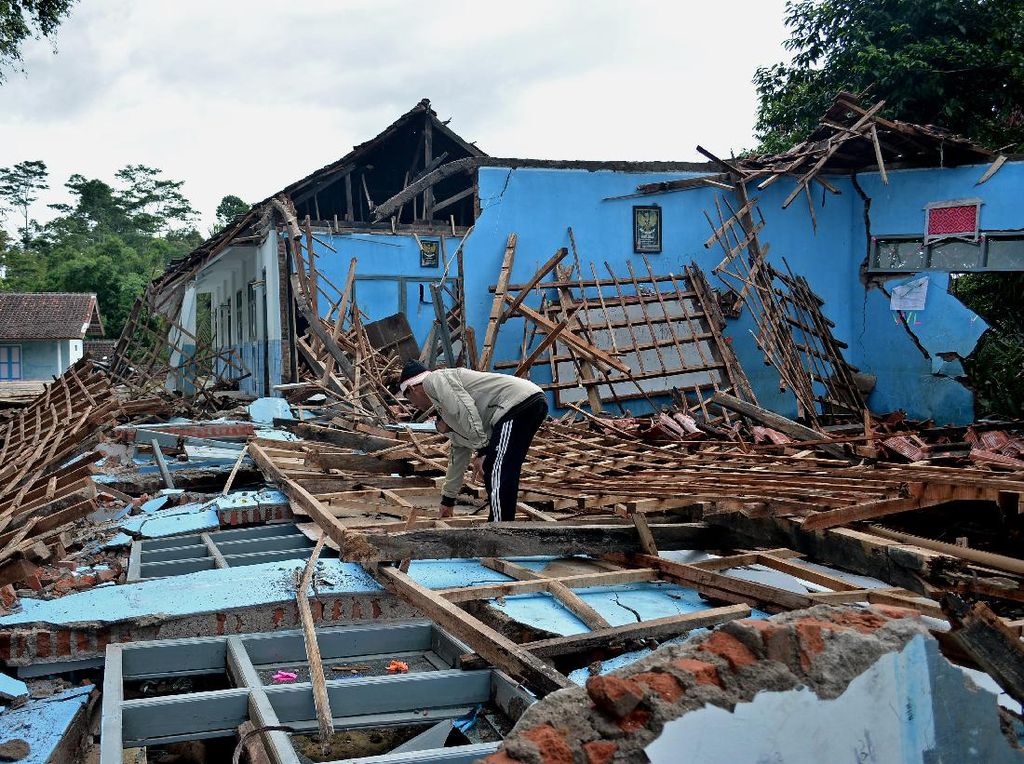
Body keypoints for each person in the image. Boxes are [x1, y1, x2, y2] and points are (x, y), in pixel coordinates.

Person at [398, 360, 548, 521]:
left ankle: (500, 527)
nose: (415, 405)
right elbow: (458, 460)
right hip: (529, 402)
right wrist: (448, 500)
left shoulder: (434, 380)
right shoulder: (449, 414)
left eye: (410, 399)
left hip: (516, 404)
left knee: (495, 468)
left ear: (412, 389)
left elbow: (463, 409)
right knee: (504, 468)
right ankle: (502, 522)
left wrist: (483, 451)